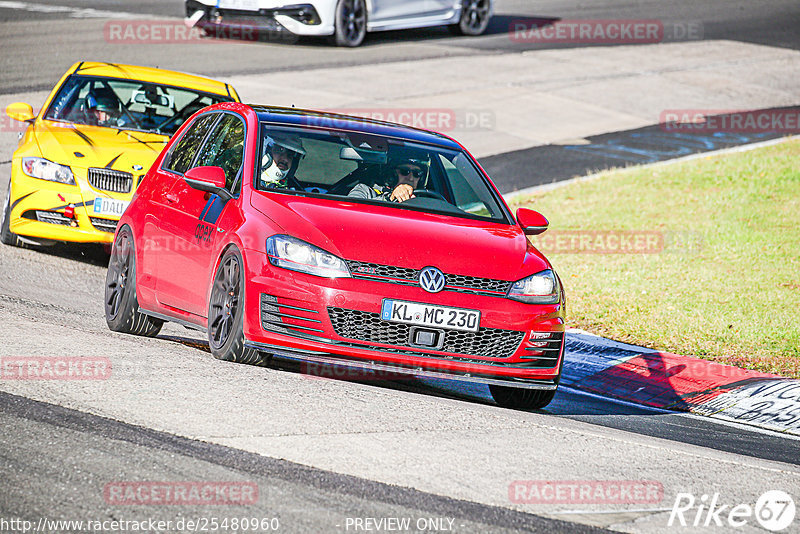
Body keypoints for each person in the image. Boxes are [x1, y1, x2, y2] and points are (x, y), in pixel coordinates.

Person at [349, 157, 428, 202]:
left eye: (417, 173)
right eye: (405, 171)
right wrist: (389, 198)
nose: (411, 178)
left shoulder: (427, 200)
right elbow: (351, 212)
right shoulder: (364, 190)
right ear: (391, 175)